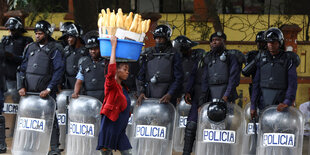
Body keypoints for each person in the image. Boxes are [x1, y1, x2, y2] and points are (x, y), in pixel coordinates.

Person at [18, 20, 64, 155]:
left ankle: (55, 148)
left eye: (40, 33)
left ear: (47, 33)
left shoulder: (55, 49)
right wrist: (21, 86)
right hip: (30, 93)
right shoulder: (30, 47)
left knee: (51, 119)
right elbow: (22, 68)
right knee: (30, 119)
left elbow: (59, 70)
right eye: (36, 33)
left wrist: (49, 88)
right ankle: (31, 145)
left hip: (46, 93)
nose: (37, 36)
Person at [250, 27, 299, 118]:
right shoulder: (261, 59)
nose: (270, 45)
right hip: (263, 102)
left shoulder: (288, 60)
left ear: (279, 43)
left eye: (273, 42)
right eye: (268, 42)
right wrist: (253, 105)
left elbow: (292, 83)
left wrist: (287, 101)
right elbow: (256, 84)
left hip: (281, 102)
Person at [96, 36, 132, 155]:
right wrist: (113, 47)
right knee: (106, 153)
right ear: (117, 70)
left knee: (127, 153)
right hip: (110, 126)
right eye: (125, 69)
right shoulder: (111, 85)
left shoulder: (124, 88)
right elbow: (110, 71)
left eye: (128, 69)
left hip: (120, 128)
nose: (127, 72)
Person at [136, 24, 183, 105]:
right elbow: (140, 75)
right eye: (157, 38)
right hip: (149, 94)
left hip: (167, 96)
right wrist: (141, 92)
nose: (158, 40)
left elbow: (178, 78)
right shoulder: (148, 53)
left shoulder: (174, 54)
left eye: (161, 38)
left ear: (167, 38)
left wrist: (170, 94)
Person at [71, 31, 106, 101]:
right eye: (91, 49)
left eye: (95, 48)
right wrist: (75, 92)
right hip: (89, 98)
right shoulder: (84, 63)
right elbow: (79, 81)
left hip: (105, 97)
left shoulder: (106, 62)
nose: (93, 51)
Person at [61, 23, 87, 89]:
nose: (68, 40)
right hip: (67, 84)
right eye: (67, 37)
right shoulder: (66, 50)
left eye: (70, 37)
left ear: (77, 37)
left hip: (83, 85)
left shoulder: (86, 51)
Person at [242, 31, 266, 97]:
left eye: (262, 42)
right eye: (258, 42)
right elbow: (245, 72)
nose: (259, 44)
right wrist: (257, 58)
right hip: (256, 88)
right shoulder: (252, 55)